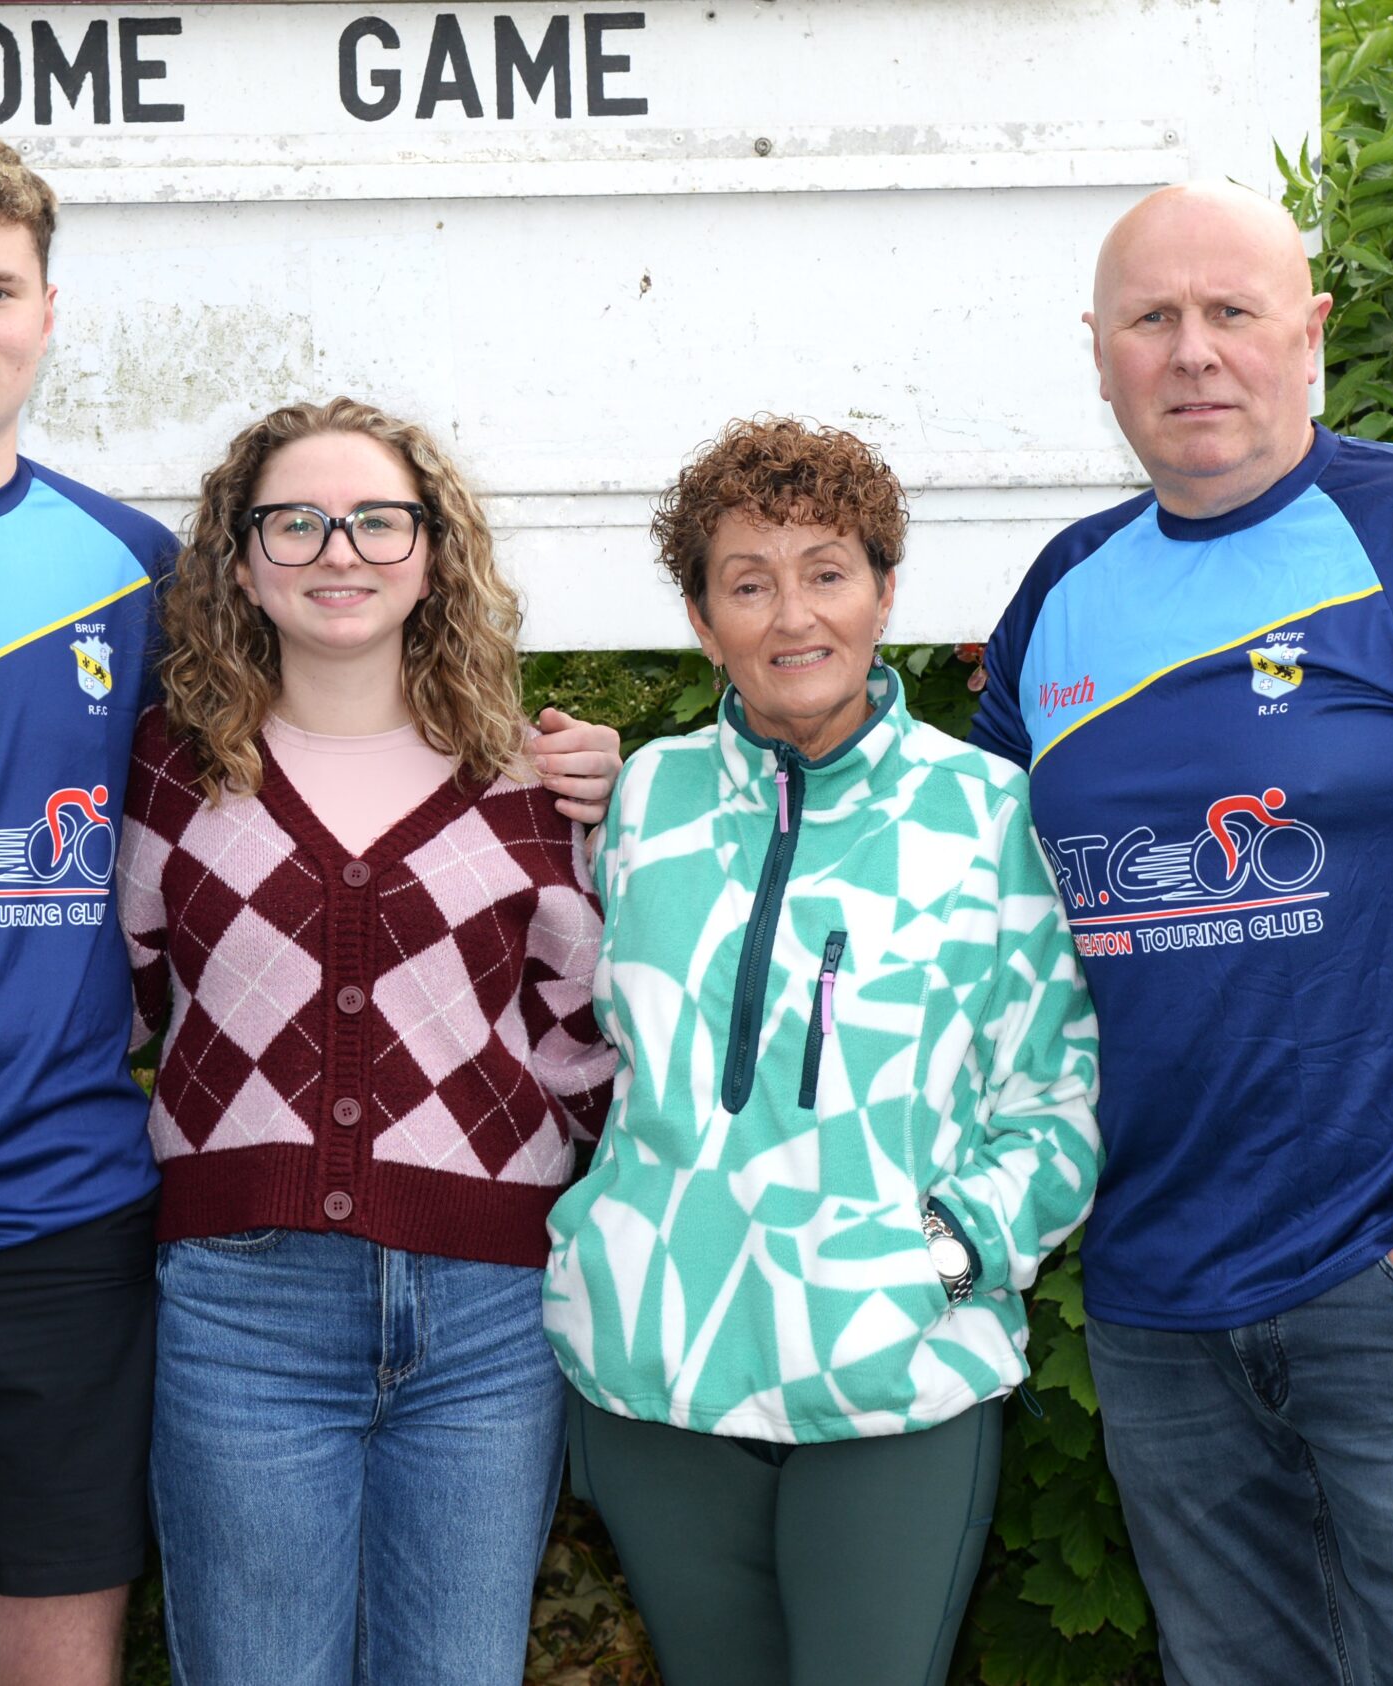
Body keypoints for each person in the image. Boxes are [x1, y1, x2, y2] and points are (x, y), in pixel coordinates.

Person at [0, 123, 623, 1683]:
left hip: (67, 1225)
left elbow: (322, 741)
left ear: (47, 313)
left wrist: (556, 764)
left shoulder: (135, 577)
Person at [967, 181, 1393, 1684]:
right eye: (1152, 318)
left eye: (1232, 311)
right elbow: (952, 891)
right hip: (1160, 1303)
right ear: (1097, 353)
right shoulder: (1063, 595)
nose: (1193, 351)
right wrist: (639, 785)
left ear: (1311, 334)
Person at [543, 417, 1102, 1686]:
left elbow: (1060, 1097)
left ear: (884, 594)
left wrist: (947, 1255)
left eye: (827, 572)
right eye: (748, 584)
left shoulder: (988, 814)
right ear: (702, 622)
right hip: (654, 1377)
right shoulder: (640, 801)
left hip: (893, 1373)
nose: (793, 615)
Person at [118, 397, 619, 1686]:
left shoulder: (536, 784)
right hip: (244, 1308)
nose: (338, 551)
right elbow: (115, 1009)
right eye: (295, 522)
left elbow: (585, 1044)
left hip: (489, 1313)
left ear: (432, 555)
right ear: (239, 565)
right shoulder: (171, 774)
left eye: (377, 521)